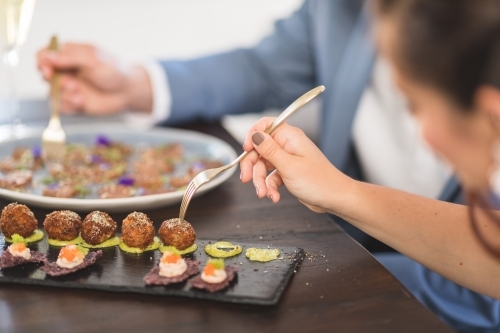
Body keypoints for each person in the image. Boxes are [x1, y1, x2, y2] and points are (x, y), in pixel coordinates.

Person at [36, 1, 500, 331]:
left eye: (415, 105)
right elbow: (267, 67)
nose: (420, 131)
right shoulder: (342, 9)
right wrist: (132, 85)